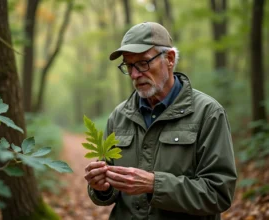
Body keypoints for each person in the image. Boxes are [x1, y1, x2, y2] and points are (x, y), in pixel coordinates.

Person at [84, 22, 237, 220]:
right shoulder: (119, 116)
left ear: (170, 59)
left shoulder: (208, 113)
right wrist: (100, 187)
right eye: (129, 65)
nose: (135, 74)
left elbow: (219, 193)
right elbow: (109, 193)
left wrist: (154, 185)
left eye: (143, 63)